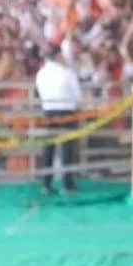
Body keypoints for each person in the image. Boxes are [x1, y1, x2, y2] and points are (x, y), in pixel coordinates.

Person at [35, 43, 83, 195]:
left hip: (48, 111)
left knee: (49, 148)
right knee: (67, 148)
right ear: (57, 56)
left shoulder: (41, 74)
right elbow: (77, 96)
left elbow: (39, 93)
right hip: (67, 111)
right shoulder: (67, 73)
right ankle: (67, 184)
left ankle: (46, 183)